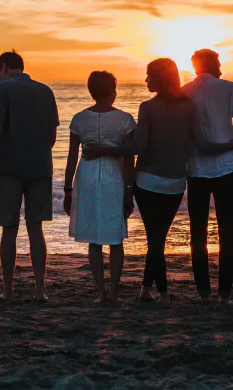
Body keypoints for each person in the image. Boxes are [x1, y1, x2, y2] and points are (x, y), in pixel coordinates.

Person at [85, 59, 233, 307]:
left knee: (155, 240)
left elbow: (136, 147)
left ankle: (164, 294)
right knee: (157, 238)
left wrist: (101, 149)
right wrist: (229, 145)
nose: (145, 81)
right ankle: (146, 289)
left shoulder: (147, 107)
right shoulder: (188, 106)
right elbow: (202, 145)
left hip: (147, 181)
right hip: (176, 183)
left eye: (149, 76)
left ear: (160, 78)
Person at [0, 52, 60, 302]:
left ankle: (8, 291)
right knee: (36, 229)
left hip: (10, 166)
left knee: (9, 229)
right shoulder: (45, 90)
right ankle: (40, 290)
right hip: (40, 166)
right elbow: (51, 137)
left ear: (3, 68)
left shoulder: (0, 90)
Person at [62, 71, 136, 304]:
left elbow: (72, 157)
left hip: (87, 176)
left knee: (95, 240)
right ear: (113, 91)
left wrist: (67, 189)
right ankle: (114, 292)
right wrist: (129, 190)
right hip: (114, 176)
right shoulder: (125, 119)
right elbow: (129, 158)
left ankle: (100, 293)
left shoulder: (79, 119)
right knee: (115, 239)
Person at [182, 49, 233, 304]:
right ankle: (224, 292)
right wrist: (226, 133)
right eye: (219, 62)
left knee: (197, 232)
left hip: (196, 169)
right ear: (213, 64)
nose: (221, 66)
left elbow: (185, 129)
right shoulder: (229, 87)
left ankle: (203, 292)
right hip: (226, 167)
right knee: (227, 231)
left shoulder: (185, 90)